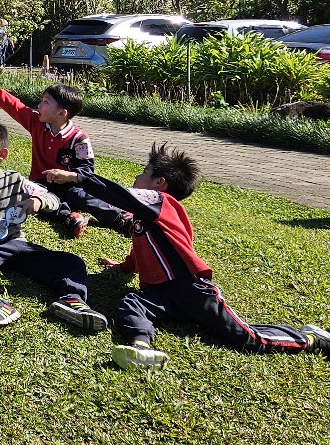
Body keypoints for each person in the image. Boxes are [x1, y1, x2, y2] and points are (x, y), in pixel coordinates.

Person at [74, 143, 330, 371]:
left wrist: (79, 177)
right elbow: (142, 248)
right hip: (160, 294)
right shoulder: (145, 216)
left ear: (159, 183)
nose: (137, 176)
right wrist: (124, 266)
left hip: (191, 290)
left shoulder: (162, 202)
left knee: (246, 338)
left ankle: (311, 339)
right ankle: (141, 347)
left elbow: (118, 194)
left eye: (144, 171)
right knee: (131, 302)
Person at [0, 117, 109, 335]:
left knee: (72, 262)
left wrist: (37, 201)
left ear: (2, 153)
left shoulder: (16, 180)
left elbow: (53, 199)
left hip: (17, 246)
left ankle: (72, 300)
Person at [0, 77, 126, 238]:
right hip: (41, 184)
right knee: (33, 199)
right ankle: (70, 217)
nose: (39, 106)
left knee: (82, 197)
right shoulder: (36, 124)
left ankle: (121, 219)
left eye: (45, 102)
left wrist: (67, 176)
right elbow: (17, 107)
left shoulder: (79, 139)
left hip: (70, 186)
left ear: (61, 113)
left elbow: (86, 171)